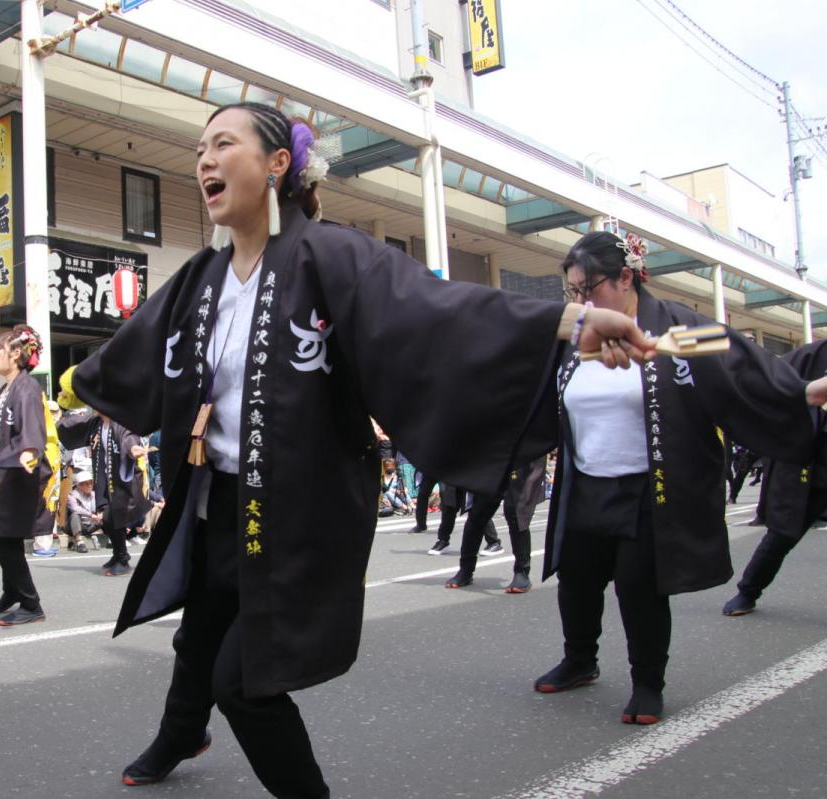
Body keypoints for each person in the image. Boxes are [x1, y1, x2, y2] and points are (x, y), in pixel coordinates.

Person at [60, 102, 660, 796]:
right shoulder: (203, 276)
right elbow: (133, 351)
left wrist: (570, 321)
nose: (205, 161)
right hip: (215, 498)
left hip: (298, 511)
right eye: (200, 149)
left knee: (242, 680)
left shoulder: (330, 254)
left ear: (277, 164)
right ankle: (181, 731)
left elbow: (435, 311)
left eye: (224, 144)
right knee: (199, 633)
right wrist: (69, 387)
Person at [533, 229, 827, 727]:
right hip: (585, 480)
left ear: (626, 278)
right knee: (577, 577)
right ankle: (579, 660)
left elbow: (741, 363)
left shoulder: (675, 332)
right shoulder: (576, 337)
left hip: (649, 485)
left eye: (589, 288)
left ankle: (648, 682)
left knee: (639, 585)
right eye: (573, 291)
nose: (581, 301)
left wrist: (801, 392)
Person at [722, 338, 827, 616]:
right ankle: (748, 591)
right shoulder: (813, 356)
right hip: (813, 462)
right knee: (781, 535)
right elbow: (772, 384)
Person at [0, 325, 51, 626]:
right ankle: (11, 590)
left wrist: (30, 450)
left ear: (15, 353)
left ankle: (30, 603)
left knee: (3, 539)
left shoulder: (26, 387)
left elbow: (32, 426)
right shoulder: (8, 389)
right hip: (5, 474)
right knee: (3, 537)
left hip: (18, 473)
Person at [57, 410, 151, 576]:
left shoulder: (121, 422)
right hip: (104, 481)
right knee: (108, 520)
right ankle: (117, 554)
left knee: (111, 518)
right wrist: (57, 421)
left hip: (122, 481)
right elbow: (71, 426)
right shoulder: (96, 423)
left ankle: (122, 558)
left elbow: (129, 438)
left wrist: (133, 449)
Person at [444, 456, 546, 593]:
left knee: (515, 513)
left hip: (522, 457)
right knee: (477, 513)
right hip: (495, 457)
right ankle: (465, 569)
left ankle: (522, 572)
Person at [67, 470, 102, 553]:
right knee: (75, 514)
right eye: (86, 483)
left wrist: (100, 514)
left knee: (106, 513)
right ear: (79, 485)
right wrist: (91, 515)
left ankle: (113, 538)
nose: (90, 485)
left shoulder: (94, 494)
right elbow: (75, 508)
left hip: (91, 524)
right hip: (76, 525)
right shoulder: (72, 495)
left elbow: (100, 507)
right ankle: (79, 542)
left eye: (91, 482)